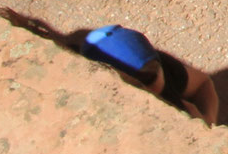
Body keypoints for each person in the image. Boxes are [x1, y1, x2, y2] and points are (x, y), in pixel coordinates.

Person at [72, 24, 220, 124]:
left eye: (148, 79)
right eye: (133, 87)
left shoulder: (165, 68)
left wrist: (208, 120)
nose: (145, 92)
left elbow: (202, 84)